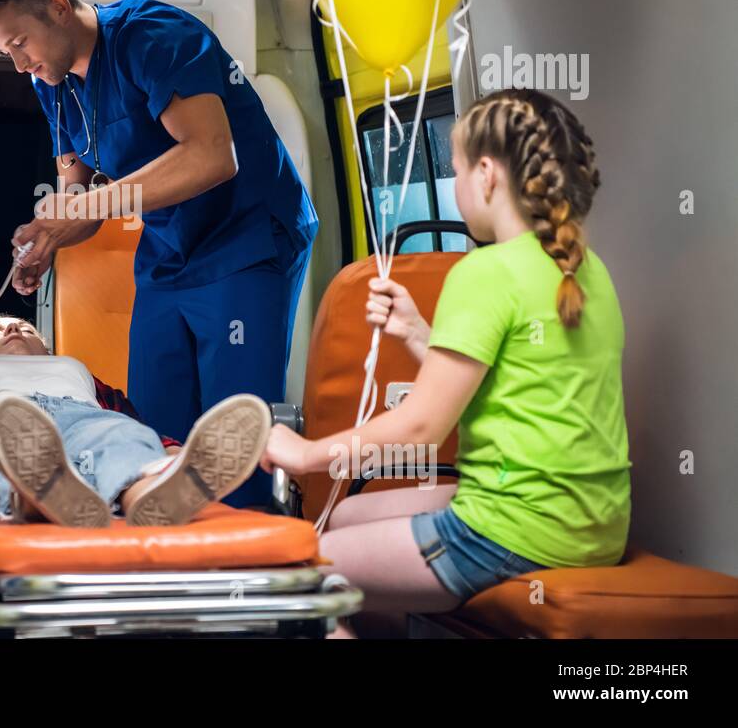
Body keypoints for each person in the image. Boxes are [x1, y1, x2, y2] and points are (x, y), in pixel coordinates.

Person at [260, 89, 631, 638]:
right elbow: (511, 381)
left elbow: (423, 426)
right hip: (592, 523)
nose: (454, 188)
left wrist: (307, 453)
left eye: (456, 172)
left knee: (305, 576)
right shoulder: (585, 272)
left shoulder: (483, 272)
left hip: (517, 527)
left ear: (486, 175)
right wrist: (418, 334)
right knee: (345, 517)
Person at [0, 0, 318, 508]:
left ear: (58, 7)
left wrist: (85, 208)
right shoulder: (53, 84)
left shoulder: (153, 36)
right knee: (154, 423)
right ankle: (160, 561)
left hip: (246, 238)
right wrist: (49, 241)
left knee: (232, 429)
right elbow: (78, 200)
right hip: (168, 251)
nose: (18, 64)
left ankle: (246, 566)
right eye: (3, 52)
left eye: (19, 42)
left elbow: (211, 156)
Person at [0, 315, 271, 527]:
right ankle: (34, 496)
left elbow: (127, 423)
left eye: (26, 329)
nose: (13, 330)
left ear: (47, 351)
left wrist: (172, 452)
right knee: (2, 440)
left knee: (119, 437)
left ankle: (151, 495)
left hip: (83, 417)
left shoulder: (78, 375)